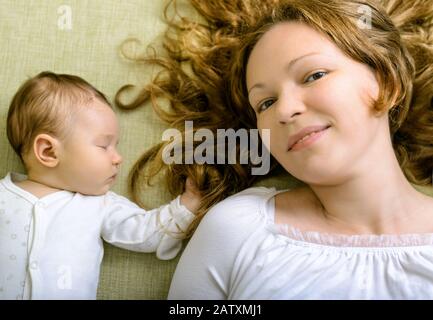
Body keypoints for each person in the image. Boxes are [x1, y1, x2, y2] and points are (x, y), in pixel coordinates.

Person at [116, 0, 433, 299]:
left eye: (314, 75)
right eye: (265, 103)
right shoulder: (237, 229)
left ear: (389, 84)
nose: (284, 111)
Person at [0, 71, 201, 300]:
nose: (118, 158)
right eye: (104, 146)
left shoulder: (99, 205)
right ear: (48, 151)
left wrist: (189, 203)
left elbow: (146, 231)